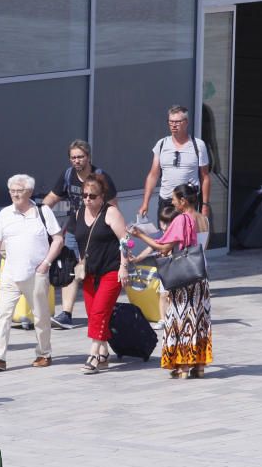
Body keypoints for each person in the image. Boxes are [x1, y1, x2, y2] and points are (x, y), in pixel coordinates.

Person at [0, 175, 64, 372]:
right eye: (12, 191)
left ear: (29, 192)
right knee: (3, 314)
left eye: (19, 190)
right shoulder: (5, 214)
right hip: (10, 272)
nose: (15, 194)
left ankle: (44, 353)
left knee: (40, 316)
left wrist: (46, 263)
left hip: (36, 273)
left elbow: (58, 239)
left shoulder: (42, 212)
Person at [129, 184, 212, 379]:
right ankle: (198, 365)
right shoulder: (200, 218)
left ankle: (183, 366)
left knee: (181, 321)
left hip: (183, 279)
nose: (171, 202)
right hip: (198, 275)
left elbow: (164, 247)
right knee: (199, 321)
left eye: (174, 199)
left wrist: (139, 234)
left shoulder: (181, 219)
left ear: (183, 201)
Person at [42, 140, 118, 330]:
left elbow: (113, 205)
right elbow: (52, 197)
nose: (76, 161)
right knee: (70, 268)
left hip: (96, 231)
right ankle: (66, 314)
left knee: (93, 271)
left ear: (89, 157)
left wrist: (109, 229)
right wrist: (40, 215)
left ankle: (102, 307)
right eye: (73, 157)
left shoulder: (100, 177)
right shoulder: (68, 175)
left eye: (80, 157)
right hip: (75, 229)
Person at [68, 174, 130, 374]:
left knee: (99, 312)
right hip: (89, 273)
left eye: (92, 196)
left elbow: (126, 240)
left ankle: (93, 354)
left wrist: (124, 266)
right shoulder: (78, 213)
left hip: (112, 270)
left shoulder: (111, 213)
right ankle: (104, 353)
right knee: (93, 314)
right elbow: (70, 239)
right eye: (85, 195)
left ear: (102, 196)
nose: (87, 199)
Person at [138, 105, 212, 224]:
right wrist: (145, 203)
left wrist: (205, 205)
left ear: (186, 122)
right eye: (171, 121)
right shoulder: (161, 144)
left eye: (177, 122)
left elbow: (205, 177)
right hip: (167, 201)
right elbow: (153, 175)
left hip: (188, 202)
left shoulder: (198, 145)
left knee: (187, 239)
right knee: (166, 237)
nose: (173, 125)